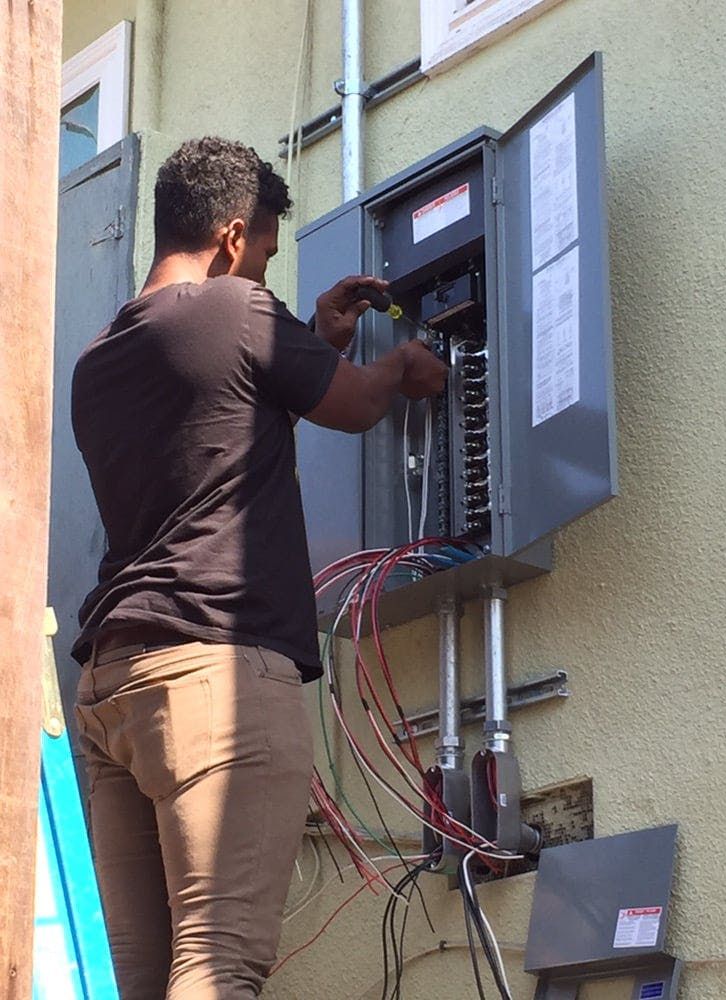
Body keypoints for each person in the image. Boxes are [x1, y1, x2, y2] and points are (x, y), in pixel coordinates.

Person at [71, 136, 448, 999]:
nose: (263, 283)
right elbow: (352, 404)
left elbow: (217, 426)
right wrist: (396, 366)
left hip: (112, 687)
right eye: (266, 260)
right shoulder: (236, 310)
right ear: (234, 239)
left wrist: (313, 339)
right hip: (213, 674)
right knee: (217, 966)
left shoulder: (100, 359)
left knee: (145, 981)